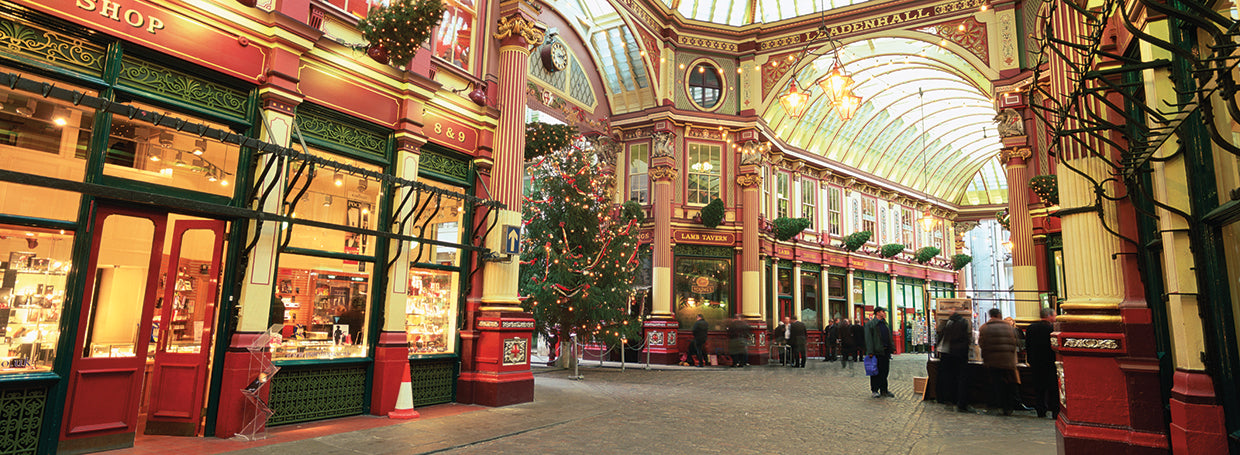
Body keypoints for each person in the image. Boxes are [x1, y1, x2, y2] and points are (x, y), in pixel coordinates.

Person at [979, 308, 1020, 415]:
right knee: (1008, 384)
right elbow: (1015, 342)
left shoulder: (984, 328)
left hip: (992, 361)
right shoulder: (1009, 327)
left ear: (990, 315)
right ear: (1000, 315)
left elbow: (982, 344)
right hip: (1008, 361)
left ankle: (996, 404)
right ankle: (1008, 407)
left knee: (995, 384)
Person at [936, 309, 973, 412]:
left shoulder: (947, 323)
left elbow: (941, 336)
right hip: (959, 354)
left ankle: (949, 399)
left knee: (949, 377)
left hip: (947, 353)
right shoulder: (962, 322)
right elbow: (964, 337)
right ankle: (961, 403)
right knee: (961, 378)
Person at [1025, 307, 1059, 418]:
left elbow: (1028, 346)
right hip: (1050, 362)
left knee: (1039, 388)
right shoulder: (1053, 329)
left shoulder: (1031, 328)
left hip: (1036, 363)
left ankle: (1041, 410)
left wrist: (1030, 360)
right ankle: (1055, 411)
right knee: (1053, 389)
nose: (1055, 317)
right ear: (1049, 316)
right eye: (1054, 315)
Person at [865, 309, 895, 398]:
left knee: (885, 371)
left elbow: (889, 337)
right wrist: (870, 351)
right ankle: (874, 390)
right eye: (883, 311)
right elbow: (868, 338)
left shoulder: (885, 323)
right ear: (878, 313)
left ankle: (884, 390)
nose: (885, 313)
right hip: (876, 352)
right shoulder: (871, 324)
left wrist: (892, 348)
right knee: (875, 371)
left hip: (885, 351)